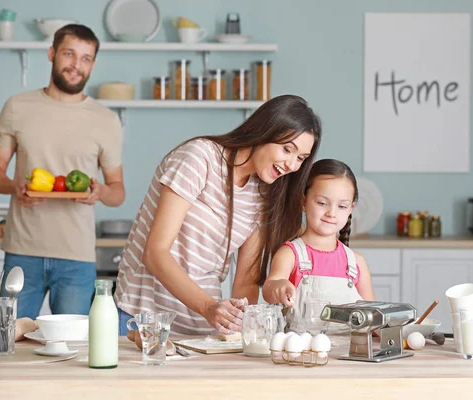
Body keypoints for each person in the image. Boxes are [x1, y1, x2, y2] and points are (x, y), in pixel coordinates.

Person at [115, 94, 322, 335]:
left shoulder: (263, 195)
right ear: (263, 132)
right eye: (287, 149)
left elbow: (246, 281)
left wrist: (243, 328)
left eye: (300, 158)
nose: (292, 165)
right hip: (143, 320)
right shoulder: (200, 157)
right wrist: (209, 307)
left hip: (203, 331)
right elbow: (155, 253)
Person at [0, 24, 125, 319]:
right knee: (8, 341)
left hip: (76, 258)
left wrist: (99, 191)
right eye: (69, 54)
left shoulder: (106, 120)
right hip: (23, 253)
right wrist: (14, 187)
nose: (77, 65)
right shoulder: (17, 107)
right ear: (52, 53)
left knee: (70, 352)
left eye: (86, 58)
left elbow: (117, 191)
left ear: (93, 64)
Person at [262, 159, 375, 333]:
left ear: (351, 209)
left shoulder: (356, 262)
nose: (331, 213)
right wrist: (279, 287)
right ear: (303, 201)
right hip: (302, 355)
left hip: (348, 357)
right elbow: (269, 289)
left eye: (342, 206)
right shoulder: (290, 254)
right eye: (322, 203)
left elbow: (372, 317)